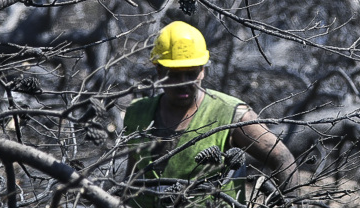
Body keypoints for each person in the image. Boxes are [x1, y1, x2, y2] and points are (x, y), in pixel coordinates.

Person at [123, 21, 298, 208]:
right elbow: (131, 177)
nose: (183, 82)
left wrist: (292, 205)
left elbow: (282, 158)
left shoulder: (231, 114)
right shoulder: (137, 113)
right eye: (174, 74)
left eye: (190, 73)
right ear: (159, 71)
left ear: (202, 71)